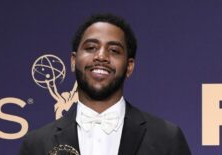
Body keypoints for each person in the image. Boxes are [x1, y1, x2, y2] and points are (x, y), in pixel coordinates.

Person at [19, 13, 191, 155]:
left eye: (114, 51)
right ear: (73, 61)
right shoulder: (36, 145)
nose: (101, 56)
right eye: (91, 48)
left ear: (129, 66)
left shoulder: (167, 138)